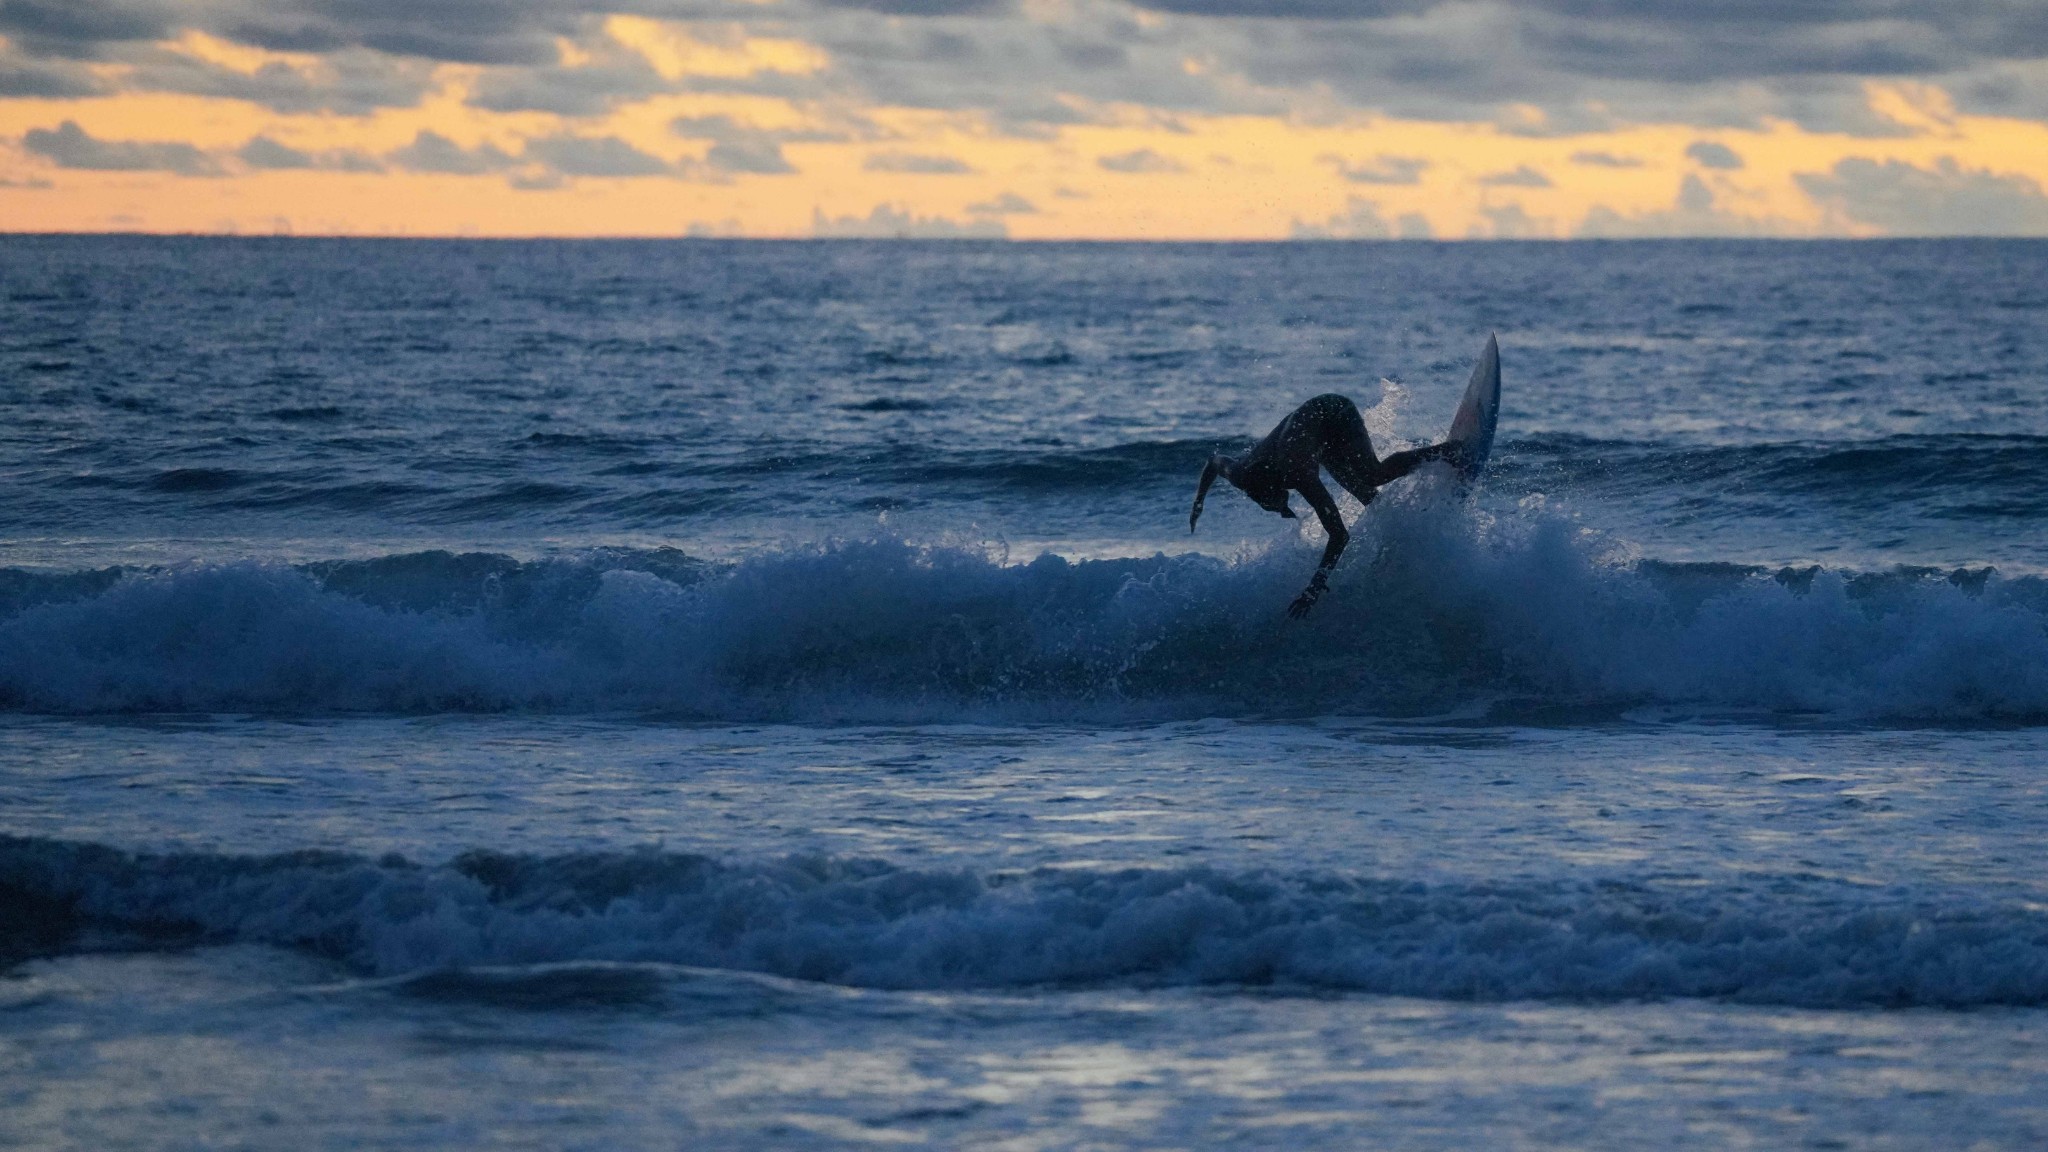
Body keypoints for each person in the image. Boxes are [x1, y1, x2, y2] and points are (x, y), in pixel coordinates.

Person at [1189, 392, 1462, 618]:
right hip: (1315, 436)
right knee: (1371, 502)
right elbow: (1214, 461)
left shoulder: (1299, 473)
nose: (1284, 510)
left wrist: (1316, 585)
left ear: (1282, 485)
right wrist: (1199, 500)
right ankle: (1412, 524)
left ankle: (1447, 451)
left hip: (1332, 411)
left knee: (1372, 475)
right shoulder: (1241, 474)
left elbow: (1339, 534)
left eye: (1281, 504)